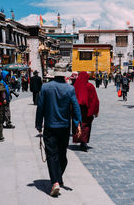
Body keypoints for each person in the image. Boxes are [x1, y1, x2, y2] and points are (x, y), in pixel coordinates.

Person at [35, 68, 82, 197]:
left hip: (50, 126)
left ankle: (55, 181)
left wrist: (39, 124)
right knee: (62, 153)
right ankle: (58, 178)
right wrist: (78, 123)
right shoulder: (69, 89)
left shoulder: (45, 87)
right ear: (64, 76)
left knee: (51, 154)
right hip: (64, 127)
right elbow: (76, 107)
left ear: (54, 75)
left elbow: (40, 107)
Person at [73, 71, 99, 152]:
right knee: (86, 125)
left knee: (78, 124)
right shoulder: (90, 86)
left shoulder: (75, 86)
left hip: (77, 109)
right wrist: (95, 110)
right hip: (87, 110)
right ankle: (84, 141)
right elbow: (95, 100)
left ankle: (78, 138)